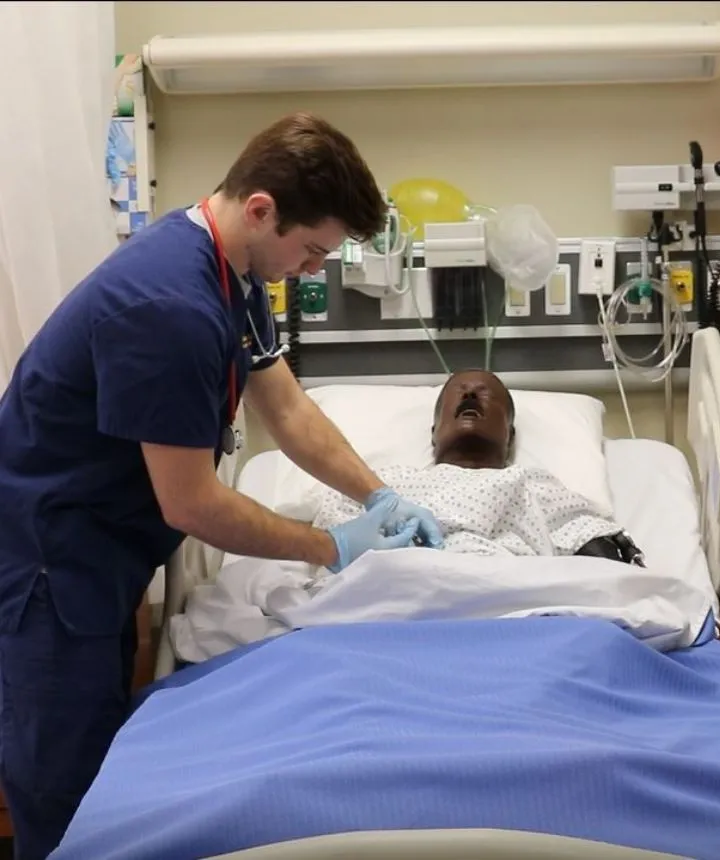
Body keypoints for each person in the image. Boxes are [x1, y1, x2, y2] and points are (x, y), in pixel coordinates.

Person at [0, 111, 443, 860]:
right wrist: (330, 546)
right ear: (262, 209)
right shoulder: (170, 308)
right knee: (65, 795)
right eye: (312, 250)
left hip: (99, 551)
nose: (314, 271)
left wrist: (379, 496)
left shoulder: (229, 266)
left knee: (98, 764)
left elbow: (288, 409)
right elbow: (193, 502)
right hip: (50, 563)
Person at [312, 368, 645, 565]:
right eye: (460, 393)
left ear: (510, 435)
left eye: (484, 394)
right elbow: (334, 542)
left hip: (510, 604)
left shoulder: (534, 485)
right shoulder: (381, 485)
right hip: (397, 601)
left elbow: (599, 556)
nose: (470, 396)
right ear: (434, 432)